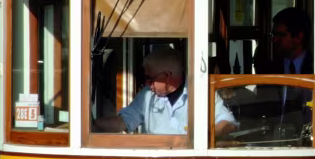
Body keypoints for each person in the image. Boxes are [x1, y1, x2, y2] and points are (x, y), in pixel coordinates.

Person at [94, 46, 237, 137]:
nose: (147, 84)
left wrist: (205, 137)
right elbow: (123, 121)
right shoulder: (147, 95)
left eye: (150, 78)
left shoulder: (201, 93)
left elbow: (229, 122)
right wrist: (92, 125)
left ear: (167, 76)